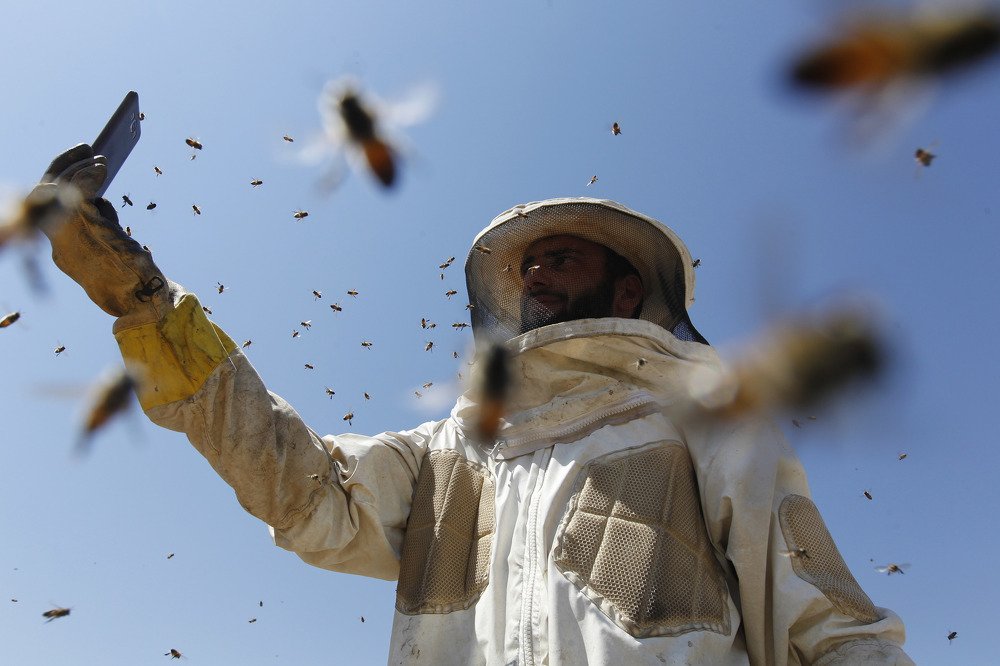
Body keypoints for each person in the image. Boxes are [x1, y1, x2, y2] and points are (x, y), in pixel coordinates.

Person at [37, 144, 913, 665]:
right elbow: (299, 490)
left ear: (626, 281)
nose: (535, 273)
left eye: (561, 256)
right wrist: (142, 303)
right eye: (527, 264)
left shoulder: (700, 417)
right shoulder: (452, 455)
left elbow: (823, 618)